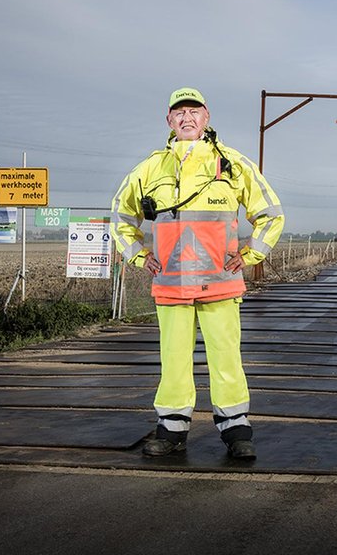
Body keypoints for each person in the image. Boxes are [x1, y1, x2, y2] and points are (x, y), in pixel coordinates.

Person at [110, 87, 284, 459]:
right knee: (173, 361)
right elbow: (120, 218)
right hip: (171, 287)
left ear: (206, 117)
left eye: (193, 111)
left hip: (220, 284)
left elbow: (271, 213)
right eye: (179, 112)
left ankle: (237, 431)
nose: (186, 118)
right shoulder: (150, 168)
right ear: (169, 120)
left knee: (226, 358)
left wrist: (251, 255)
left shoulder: (232, 163)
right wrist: (139, 256)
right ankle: (171, 431)